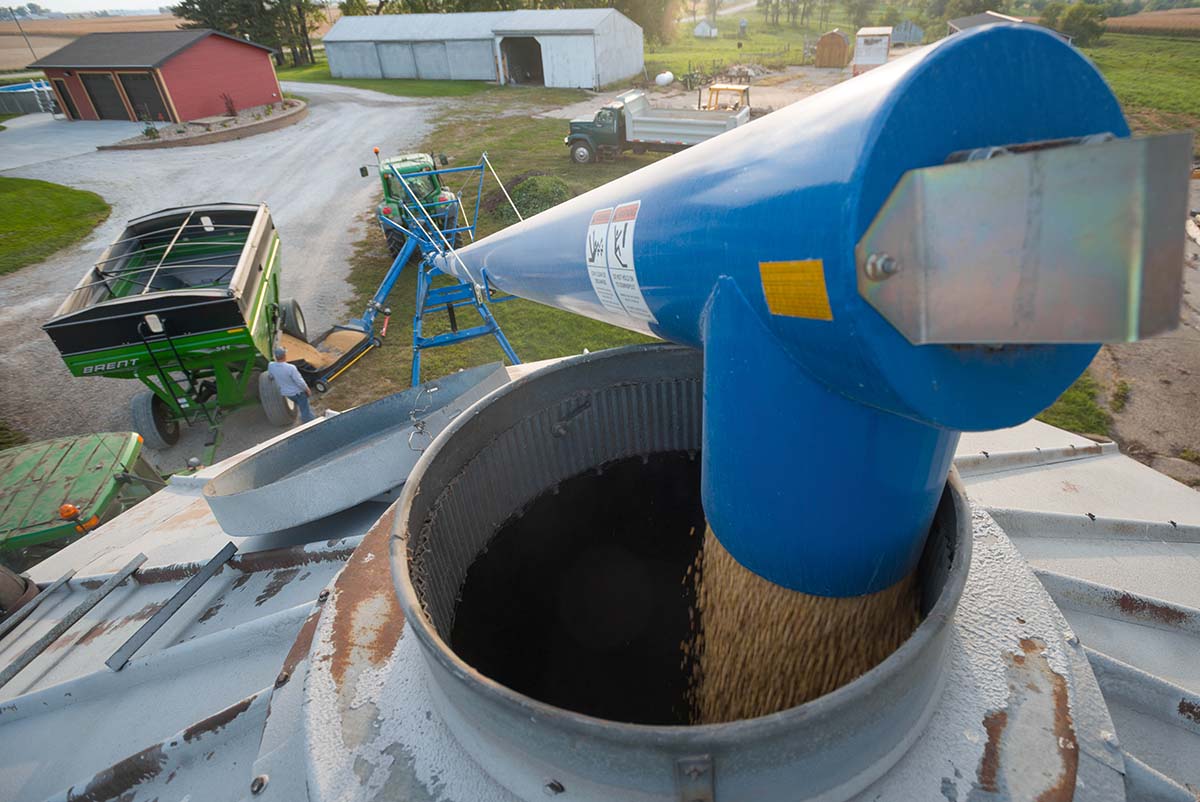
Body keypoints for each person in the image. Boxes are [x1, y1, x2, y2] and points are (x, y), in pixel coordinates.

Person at [267, 346, 315, 424]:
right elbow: (299, 381)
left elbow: (270, 377)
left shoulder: (271, 365)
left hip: (287, 394)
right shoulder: (290, 368)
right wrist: (307, 389)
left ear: (275, 356)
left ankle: (311, 419)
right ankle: (310, 425)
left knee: (304, 407)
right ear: (285, 356)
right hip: (298, 393)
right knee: (305, 411)